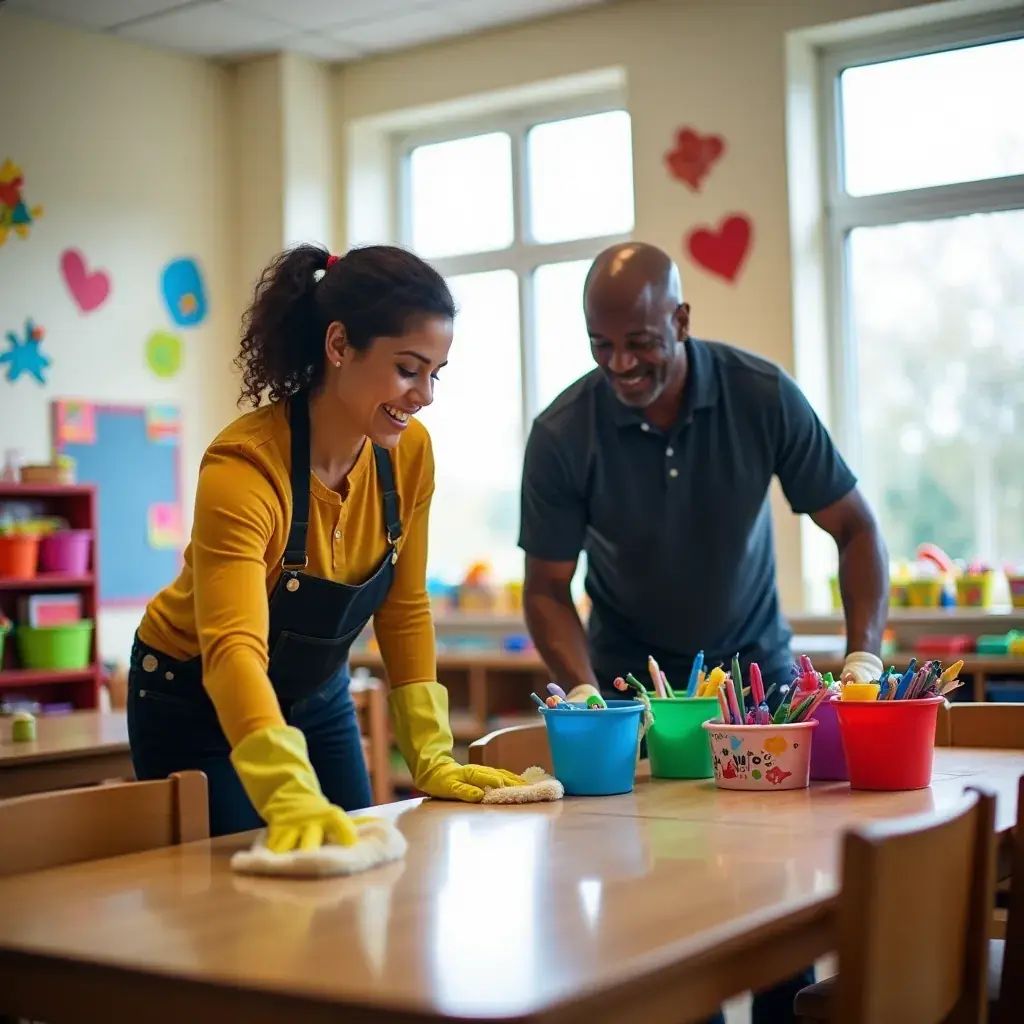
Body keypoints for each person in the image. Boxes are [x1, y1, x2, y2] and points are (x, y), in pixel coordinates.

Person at [518, 242, 888, 1024]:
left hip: (763, 699)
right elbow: (548, 590)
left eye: (641, 342)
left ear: (681, 320)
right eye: (601, 344)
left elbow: (856, 529)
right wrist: (584, 690)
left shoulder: (761, 395)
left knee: (774, 933)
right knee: (663, 937)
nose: (619, 363)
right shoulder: (563, 432)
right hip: (638, 704)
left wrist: (862, 655)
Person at [128, 243, 525, 850]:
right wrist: (287, 791)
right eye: (408, 368)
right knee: (240, 901)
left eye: (435, 373)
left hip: (317, 696)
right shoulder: (243, 470)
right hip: (192, 700)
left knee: (360, 869)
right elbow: (232, 650)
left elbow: (405, 606)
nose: (425, 395)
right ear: (339, 346)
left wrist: (431, 757)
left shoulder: (408, 454)